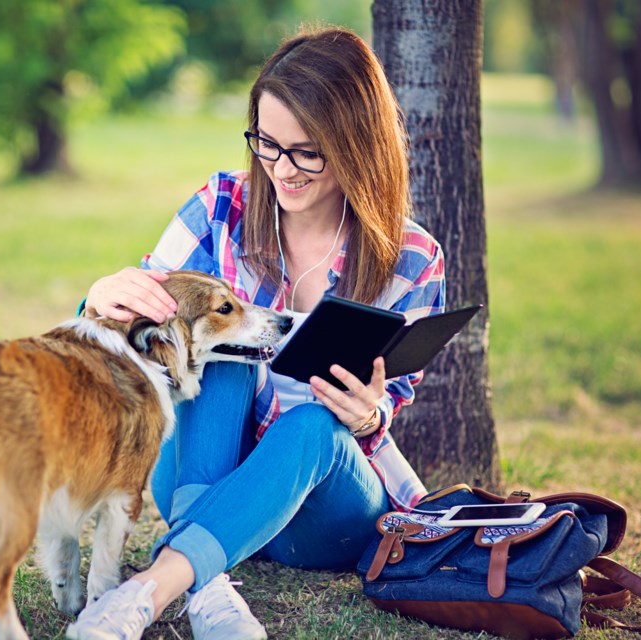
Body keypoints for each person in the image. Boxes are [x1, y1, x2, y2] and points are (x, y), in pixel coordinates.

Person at [66, 25, 445, 640]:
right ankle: (208, 586)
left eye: (307, 151)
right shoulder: (223, 208)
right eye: (267, 144)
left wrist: (368, 418)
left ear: (357, 145)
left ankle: (148, 591)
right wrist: (98, 301)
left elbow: (384, 417)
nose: (281, 169)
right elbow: (129, 342)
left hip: (320, 513)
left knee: (314, 423)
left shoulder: (411, 260)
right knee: (221, 357)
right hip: (201, 476)